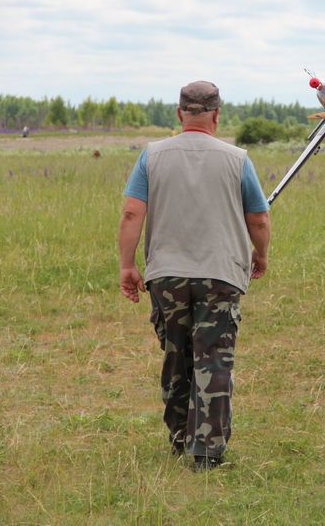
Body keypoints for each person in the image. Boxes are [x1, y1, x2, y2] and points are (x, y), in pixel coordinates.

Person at [118, 81, 271, 470]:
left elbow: (133, 213)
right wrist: (261, 254)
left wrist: (127, 264)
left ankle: (180, 436)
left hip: (166, 276)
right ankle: (207, 451)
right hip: (220, 275)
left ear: (179, 113)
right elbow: (258, 217)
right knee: (214, 360)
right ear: (217, 115)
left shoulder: (151, 156)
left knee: (177, 355)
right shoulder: (238, 159)